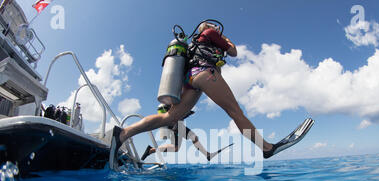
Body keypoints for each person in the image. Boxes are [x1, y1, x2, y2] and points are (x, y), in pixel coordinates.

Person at [110, 22, 314, 169]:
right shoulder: (210, 33)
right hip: (205, 73)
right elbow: (233, 52)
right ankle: (267, 148)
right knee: (235, 111)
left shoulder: (193, 45)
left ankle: (123, 134)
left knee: (169, 117)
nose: (217, 29)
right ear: (207, 28)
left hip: (191, 79)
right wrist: (226, 39)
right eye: (214, 28)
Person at [141, 104, 233, 162]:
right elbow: (174, 111)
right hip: (174, 123)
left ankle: (207, 155)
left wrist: (187, 113)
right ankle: (151, 150)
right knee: (176, 147)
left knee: (194, 138)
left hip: (178, 122)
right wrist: (186, 113)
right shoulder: (178, 96)